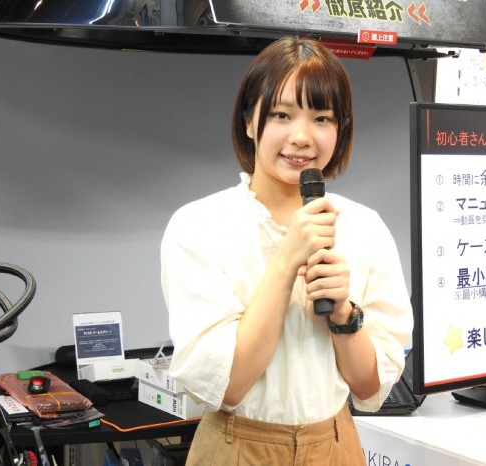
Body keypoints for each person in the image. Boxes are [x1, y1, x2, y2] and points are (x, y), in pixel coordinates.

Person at [161, 36, 413, 466]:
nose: (301, 137)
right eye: (281, 114)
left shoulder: (364, 227)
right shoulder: (199, 225)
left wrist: (343, 314)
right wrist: (285, 261)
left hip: (335, 445)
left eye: (322, 118)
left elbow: (370, 390)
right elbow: (228, 387)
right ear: (248, 121)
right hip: (236, 446)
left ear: (340, 130)